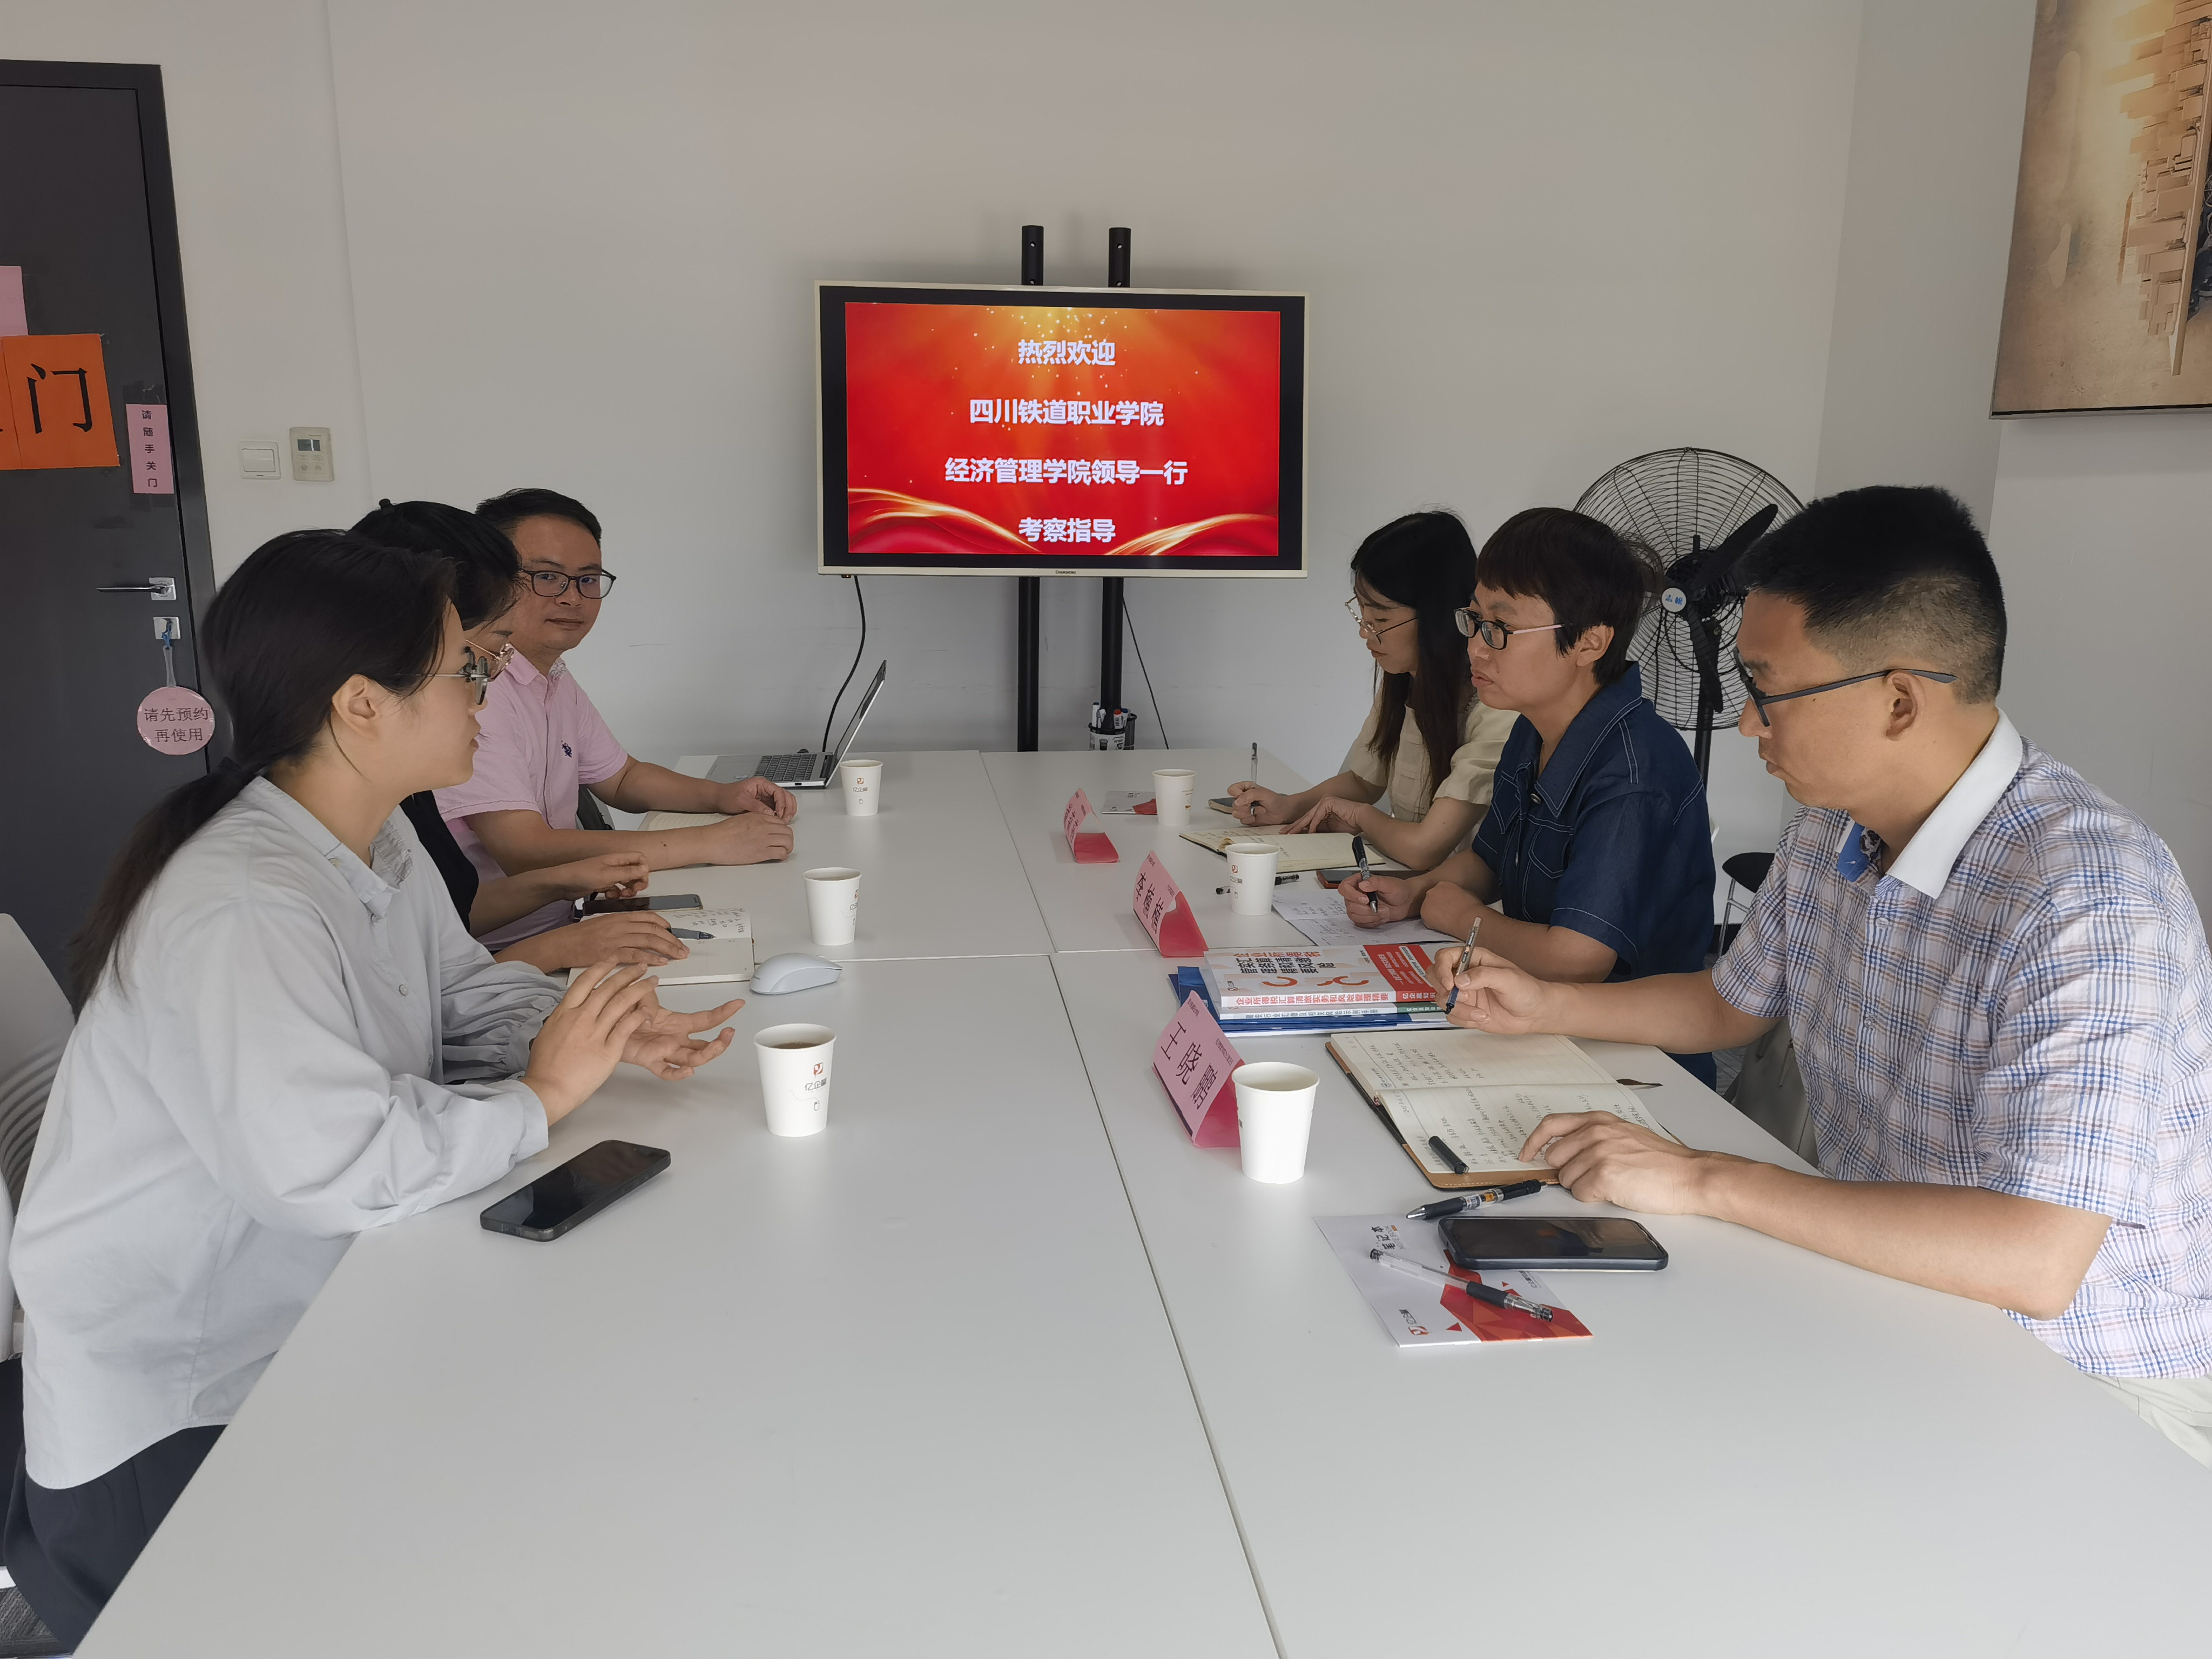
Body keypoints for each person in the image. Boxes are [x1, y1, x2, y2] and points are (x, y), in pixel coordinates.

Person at [3, 531, 746, 1644]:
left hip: (302, 1329)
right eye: (465, 669)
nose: (486, 695)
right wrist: (541, 1099)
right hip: (181, 1418)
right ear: (361, 703)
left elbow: (458, 998)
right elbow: (328, 1169)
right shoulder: (243, 903)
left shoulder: (368, 834)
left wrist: (591, 1032)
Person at [1439, 486, 2212, 1468]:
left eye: (1768, 689)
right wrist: (1545, 1004)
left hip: (2091, 1375)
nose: (1747, 724)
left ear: (1899, 700)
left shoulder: (2089, 897)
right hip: (1888, 1287)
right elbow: (1729, 1002)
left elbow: (2033, 1257)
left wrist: (1702, 1175)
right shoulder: (1830, 830)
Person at [1349, 508, 1717, 1082]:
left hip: (1633, 1062)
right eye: (1474, 620)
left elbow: (1577, 959)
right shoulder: (1533, 726)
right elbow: (1489, 860)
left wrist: (1464, 918)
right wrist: (1415, 892)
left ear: (1590, 642)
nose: (1476, 648)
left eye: (1501, 628)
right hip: (1537, 1020)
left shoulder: (1633, 774)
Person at [438, 487, 798, 948]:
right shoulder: (472, 689)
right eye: (548, 577)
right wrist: (712, 843)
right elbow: (524, 850)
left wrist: (724, 795)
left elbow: (622, 778)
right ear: (491, 580)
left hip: (569, 923)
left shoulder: (552, 677)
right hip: (495, 954)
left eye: (588, 580)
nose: (572, 597)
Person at [351, 499, 692, 972]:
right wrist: (556, 948)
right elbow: (415, 1000)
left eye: (587, 579)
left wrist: (562, 882)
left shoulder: (397, 808)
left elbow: (444, 920)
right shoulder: (293, 866)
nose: (482, 699)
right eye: (473, 665)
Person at [1225, 511, 1518, 871]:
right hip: (1406, 877)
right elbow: (1364, 780)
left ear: (1439, 617)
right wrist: (1288, 806)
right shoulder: (1407, 677)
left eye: (1380, 620)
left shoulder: (1494, 705)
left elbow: (1424, 849)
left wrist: (1361, 817)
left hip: (1453, 888)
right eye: (1362, 613)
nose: (1365, 632)